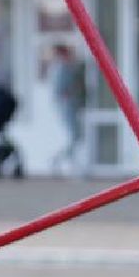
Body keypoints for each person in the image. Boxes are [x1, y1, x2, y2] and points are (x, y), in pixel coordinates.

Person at [48, 43, 86, 178]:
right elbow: (60, 91)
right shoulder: (62, 68)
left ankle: (66, 160)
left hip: (72, 106)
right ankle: (61, 160)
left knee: (77, 136)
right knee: (75, 136)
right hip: (68, 106)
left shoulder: (66, 67)